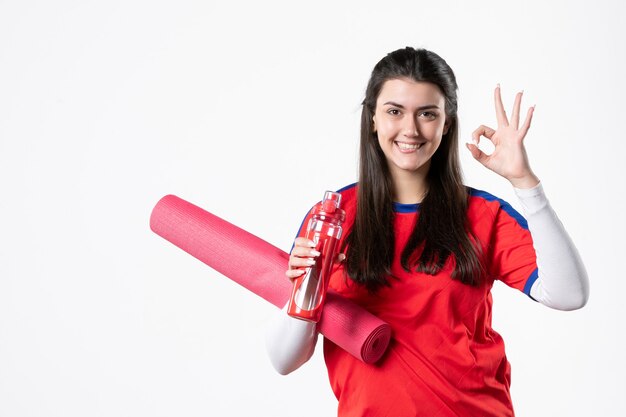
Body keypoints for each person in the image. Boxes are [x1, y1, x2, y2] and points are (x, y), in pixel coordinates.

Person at [265, 47, 589, 416]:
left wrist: (524, 181)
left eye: (428, 114)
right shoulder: (334, 217)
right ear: (372, 118)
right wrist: (310, 285)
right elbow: (284, 360)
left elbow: (569, 295)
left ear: (447, 123)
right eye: (394, 111)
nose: (411, 129)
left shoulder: (485, 215)